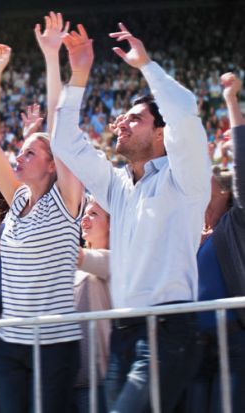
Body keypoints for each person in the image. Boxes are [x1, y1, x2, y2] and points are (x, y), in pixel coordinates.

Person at [52, 22, 211, 412]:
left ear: (162, 133)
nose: (121, 122)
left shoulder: (185, 179)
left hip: (168, 332)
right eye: (122, 117)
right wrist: (79, 74)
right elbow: (63, 142)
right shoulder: (116, 186)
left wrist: (146, 66)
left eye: (135, 118)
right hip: (124, 333)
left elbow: (185, 114)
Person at [0, 12, 85, 412]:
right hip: (12, 343)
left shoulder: (67, 200)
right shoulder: (19, 199)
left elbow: (63, 133)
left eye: (31, 152)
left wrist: (51, 55)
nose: (19, 156)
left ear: (53, 162)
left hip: (54, 345)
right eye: (21, 151)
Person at [183, 72, 245, 413]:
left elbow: (242, 165)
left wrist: (231, 101)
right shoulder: (192, 229)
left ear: (224, 191)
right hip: (196, 349)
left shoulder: (235, 225)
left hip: (233, 345)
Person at [73, 197, 111, 413]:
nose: (85, 219)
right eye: (84, 214)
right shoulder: (73, 267)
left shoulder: (115, 260)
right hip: (69, 378)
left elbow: (80, 256)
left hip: (98, 382)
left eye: (94, 214)